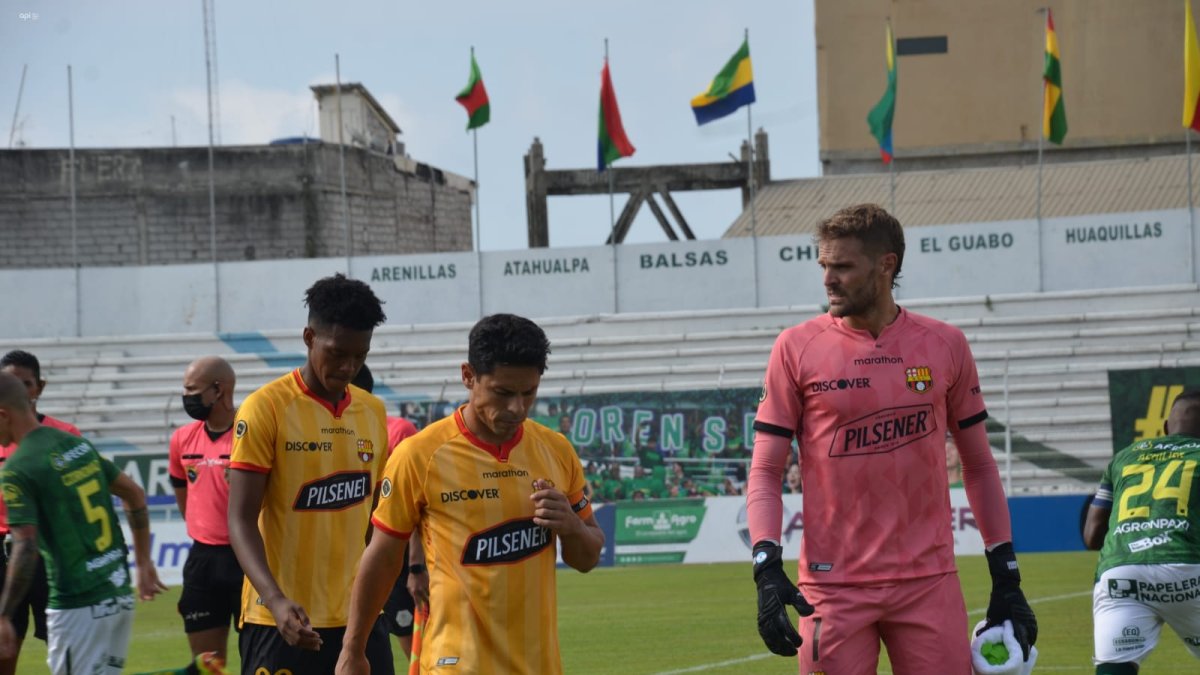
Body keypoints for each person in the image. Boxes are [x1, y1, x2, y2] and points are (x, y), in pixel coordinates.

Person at [746, 203, 1037, 673]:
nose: (827, 279)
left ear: (887, 265)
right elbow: (766, 469)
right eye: (823, 266)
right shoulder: (795, 347)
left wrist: (1006, 575)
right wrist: (765, 562)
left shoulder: (945, 344)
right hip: (832, 588)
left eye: (842, 266)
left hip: (928, 582)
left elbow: (979, 465)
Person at [336, 313, 605, 675]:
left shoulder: (555, 450)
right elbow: (382, 557)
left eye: (529, 393)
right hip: (456, 662)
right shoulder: (420, 455)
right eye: (503, 393)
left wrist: (571, 526)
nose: (517, 408)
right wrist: (353, 649)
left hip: (538, 664)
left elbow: (587, 558)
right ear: (468, 376)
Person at [228, 273, 393, 674]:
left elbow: (375, 521)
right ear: (308, 337)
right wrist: (275, 599)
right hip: (281, 620)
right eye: (337, 353)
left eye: (360, 355)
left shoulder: (372, 411)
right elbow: (240, 520)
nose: (348, 366)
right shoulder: (266, 408)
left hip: (359, 622)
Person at [0, 371, 167, 673]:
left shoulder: (17, 467)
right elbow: (135, 494)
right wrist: (143, 563)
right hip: (117, 594)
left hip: (77, 605)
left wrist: (3, 615)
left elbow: (24, 547)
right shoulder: (73, 443)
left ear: (3, 414)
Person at [1083, 390, 1200, 674]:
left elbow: (1092, 535)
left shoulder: (1124, 458)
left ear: (1164, 428)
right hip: (1187, 572)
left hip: (1121, 575)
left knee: (1114, 669)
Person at [0, 349, 82, 675]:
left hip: (53, 556)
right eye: (10, 383)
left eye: (26, 383)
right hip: (4, 554)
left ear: (39, 387)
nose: (19, 390)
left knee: (68, 657)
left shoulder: (66, 435)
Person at [168, 356, 243, 662]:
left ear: (219, 389)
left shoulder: (250, 432)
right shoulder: (181, 439)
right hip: (202, 561)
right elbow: (183, 497)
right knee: (208, 665)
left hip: (248, 559)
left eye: (192, 390)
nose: (187, 398)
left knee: (264, 658)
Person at [349, 364, 424, 659]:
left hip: (395, 550)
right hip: (353, 551)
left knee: (411, 637)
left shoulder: (397, 430)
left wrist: (417, 566)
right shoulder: (329, 433)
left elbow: (416, 499)